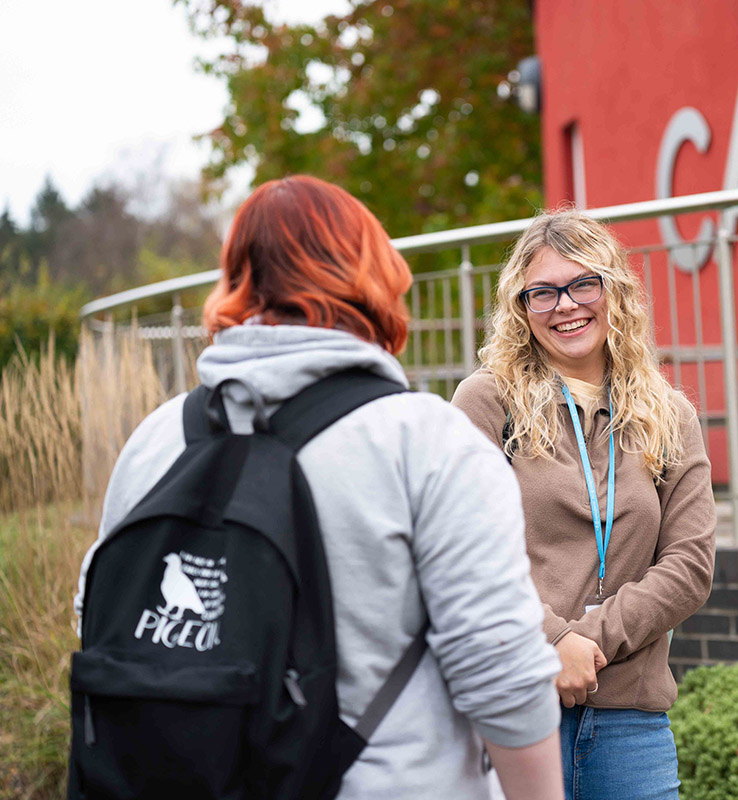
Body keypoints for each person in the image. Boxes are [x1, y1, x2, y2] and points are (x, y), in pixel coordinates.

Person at [74, 175, 564, 800]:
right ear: (373, 276)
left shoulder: (155, 439)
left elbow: (99, 616)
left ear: (237, 279)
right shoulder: (426, 440)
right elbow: (503, 674)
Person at [452, 209, 716, 800]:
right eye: (542, 292)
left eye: (582, 284)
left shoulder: (668, 415)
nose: (565, 305)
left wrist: (587, 643)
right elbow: (459, 551)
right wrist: (548, 640)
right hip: (514, 708)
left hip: (630, 722)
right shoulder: (487, 402)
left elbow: (689, 566)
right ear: (521, 308)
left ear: (612, 290)